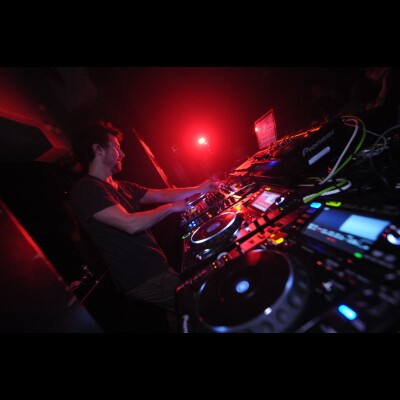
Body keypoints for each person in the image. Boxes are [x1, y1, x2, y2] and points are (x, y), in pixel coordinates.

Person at [69, 120, 219, 332]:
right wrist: (171, 208)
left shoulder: (122, 186)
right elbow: (130, 224)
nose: (122, 154)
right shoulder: (86, 189)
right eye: (116, 147)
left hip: (155, 269)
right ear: (98, 149)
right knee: (200, 303)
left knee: (180, 317)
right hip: (142, 277)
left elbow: (162, 194)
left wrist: (200, 188)